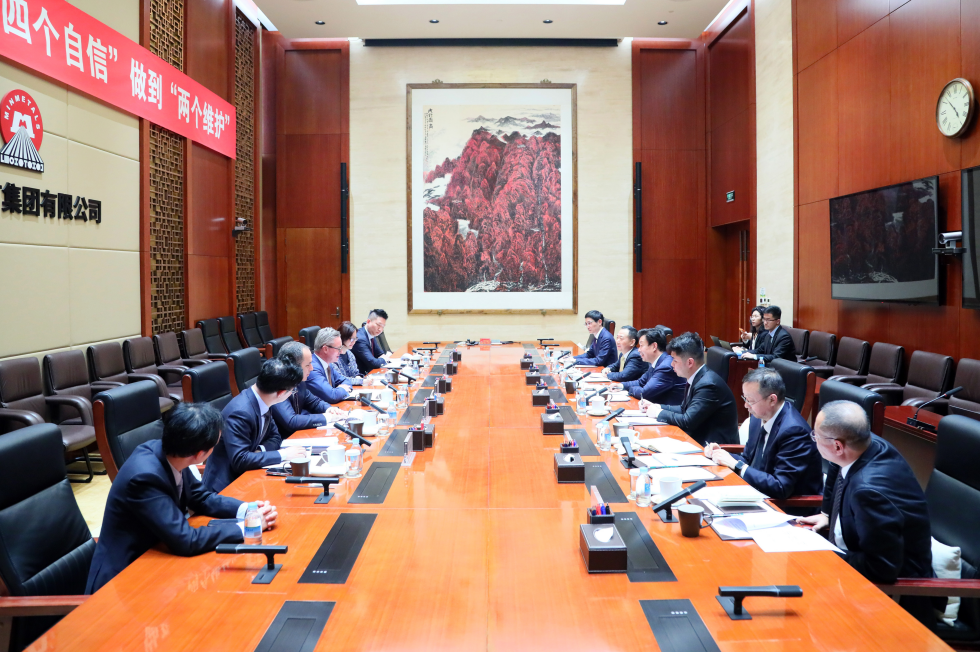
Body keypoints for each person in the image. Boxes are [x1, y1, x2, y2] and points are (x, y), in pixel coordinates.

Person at [86, 403, 279, 594]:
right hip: (124, 581)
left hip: (158, 558)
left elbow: (201, 497)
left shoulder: (173, 453)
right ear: (200, 454)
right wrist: (247, 528)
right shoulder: (145, 478)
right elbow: (186, 540)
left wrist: (249, 509)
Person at [797, 401, 935, 624]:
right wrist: (827, 514)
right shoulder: (864, 445)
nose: (813, 440)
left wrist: (825, 554)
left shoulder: (868, 492)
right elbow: (835, 467)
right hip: (859, 567)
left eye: (816, 436)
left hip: (897, 600)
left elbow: (880, 568)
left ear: (838, 447)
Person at [704, 368, 823, 511]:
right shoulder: (757, 418)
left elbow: (781, 487)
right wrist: (721, 455)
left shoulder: (794, 431)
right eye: (745, 399)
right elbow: (748, 459)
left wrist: (736, 465)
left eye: (750, 401)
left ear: (772, 399)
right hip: (758, 494)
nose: (746, 405)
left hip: (786, 508)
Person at [202, 359, 306, 493]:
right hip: (227, 488)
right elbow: (240, 460)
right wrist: (283, 454)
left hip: (249, 476)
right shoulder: (240, 412)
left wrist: (258, 452)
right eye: (292, 391)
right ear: (281, 393)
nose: (293, 393)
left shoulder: (263, 400)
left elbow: (275, 437)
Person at [644, 332, 739, 445]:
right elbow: (684, 409)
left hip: (714, 448)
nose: (672, 364)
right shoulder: (696, 377)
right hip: (697, 440)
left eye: (675, 360)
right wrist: (657, 406)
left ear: (690, 362)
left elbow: (687, 421)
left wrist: (659, 413)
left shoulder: (708, 385)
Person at [272, 341, 347, 437]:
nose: (311, 368)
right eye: (308, 365)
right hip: (283, 440)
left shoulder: (298, 381)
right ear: (293, 365)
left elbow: (315, 402)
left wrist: (330, 409)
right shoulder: (275, 383)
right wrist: (327, 417)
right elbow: (291, 421)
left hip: (298, 436)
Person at [613, 327, 686, 404]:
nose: (639, 350)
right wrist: (621, 385)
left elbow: (644, 393)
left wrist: (630, 389)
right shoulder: (656, 362)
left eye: (641, 345)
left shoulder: (666, 366)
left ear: (654, 346)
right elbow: (640, 382)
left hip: (666, 409)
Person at [308, 327, 354, 404]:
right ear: (325, 349)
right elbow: (332, 396)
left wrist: (338, 390)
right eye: (338, 348)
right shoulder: (312, 368)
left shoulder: (328, 364)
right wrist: (342, 389)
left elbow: (346, 381)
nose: (341, 351)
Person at [352, 309, 389, 374]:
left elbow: (379, 354)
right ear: (368, 321)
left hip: (370, 373)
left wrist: (382, 358)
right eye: (378, 325)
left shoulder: (371, 334)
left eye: (383, 326)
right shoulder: (360, 339)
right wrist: (385, 359)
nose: (380, 329)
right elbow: (373, 363)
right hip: (361, 375)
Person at [334, 320, 364, 387]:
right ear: (343, 337)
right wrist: (361, 381)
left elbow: (355, 373)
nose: (354, 342)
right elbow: (340, 379)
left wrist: (358, 377)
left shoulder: (350, 354)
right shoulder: (334, 357)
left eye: (355, 338)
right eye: (351, 339)